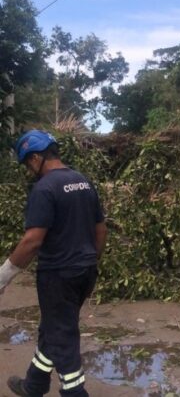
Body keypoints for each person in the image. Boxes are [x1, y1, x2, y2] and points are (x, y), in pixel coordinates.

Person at [0, 130, 108, 397]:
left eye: (28, 164)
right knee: (53, 326)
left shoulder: (44, 188)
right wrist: (90, 261)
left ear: (36, 158)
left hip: (58, 276)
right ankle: (34, 385)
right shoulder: (83, 181)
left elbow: (32, 241)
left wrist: (3, 277)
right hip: (85, 271)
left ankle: (75, 392)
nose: (29, 170)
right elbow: (101, 228)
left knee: (63, 335)